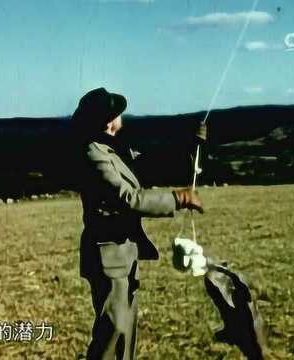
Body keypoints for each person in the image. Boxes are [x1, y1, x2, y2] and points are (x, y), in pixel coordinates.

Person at [70, 87, 205, 359]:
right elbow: (130, 198)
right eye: (118, 113)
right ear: (109, 120)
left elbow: (151, 160)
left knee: (126, 332)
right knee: (114, 330)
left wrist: (189, 144)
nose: (122, 117)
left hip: (125, 255)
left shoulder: (111, 149)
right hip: (108, 256)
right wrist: (178, 198)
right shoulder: (94, 154)